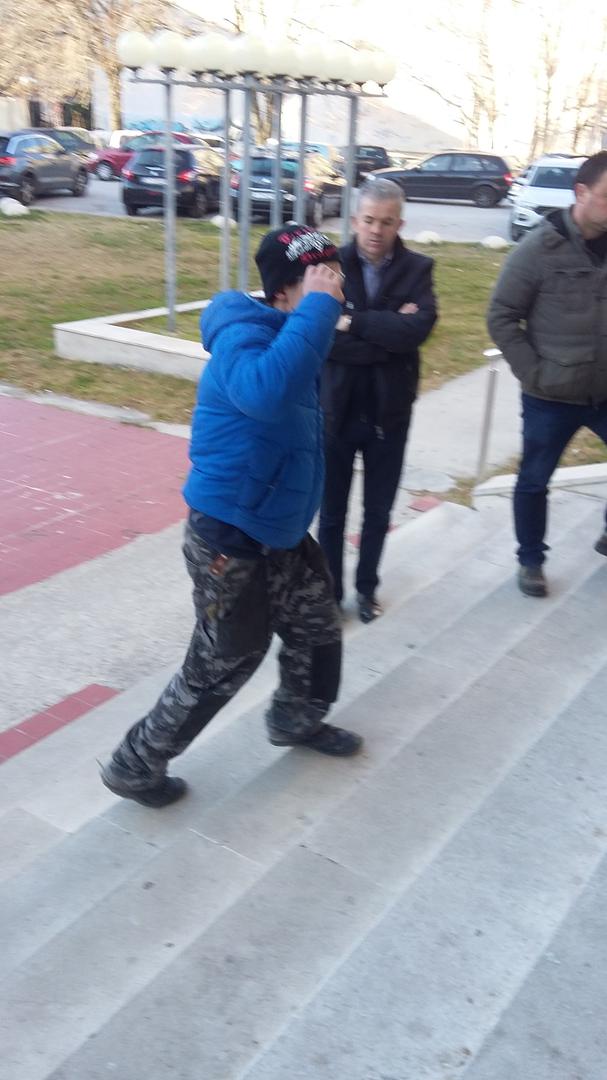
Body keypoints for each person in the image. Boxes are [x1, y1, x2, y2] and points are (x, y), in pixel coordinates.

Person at [101, 224, 363, 809]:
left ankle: (296, 718)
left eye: (336, 277)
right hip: (230, 536)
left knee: (317, 627)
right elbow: (263, 393)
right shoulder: (245, 338)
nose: (337, 289)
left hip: (278, 527)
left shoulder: (296, 332)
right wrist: (319, 310)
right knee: (226, 660)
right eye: (324, 280)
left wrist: (319, 313)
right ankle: (134, 765)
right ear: (286, 291)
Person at [487, 151, 607, 597]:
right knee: (534, 480)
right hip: (550, 394)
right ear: (581, 193)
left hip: (604, 389)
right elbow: (501, 315)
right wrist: (533, 372)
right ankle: (531, 560)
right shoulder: (539, 247)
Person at [318, 178, 438, 622]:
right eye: (369, 220)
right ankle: (330, 594)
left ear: (399, 224)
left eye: (386, 222)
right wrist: (388, 333)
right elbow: (326, 338)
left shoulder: (418, 269)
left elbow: (417, 330)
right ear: (354, 220)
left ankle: (366, 590)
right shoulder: (330, 267)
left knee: (378, 511)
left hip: (389, 415)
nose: (376, 230)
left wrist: (353, 321)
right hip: (337, 410)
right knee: (331, 514)